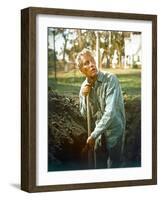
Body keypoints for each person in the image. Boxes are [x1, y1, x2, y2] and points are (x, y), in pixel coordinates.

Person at [76, 49, 126, 169]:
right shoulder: (84, 87)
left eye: (92, 60)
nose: (91, 64)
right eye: (86, 63)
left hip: (115, 132)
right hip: (99, 135)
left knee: (113, 166)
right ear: (82, 70)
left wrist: (93, 135)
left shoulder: (110, 80)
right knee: (99, 166)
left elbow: (110, 112)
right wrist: (83, 97)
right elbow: (84, 114)